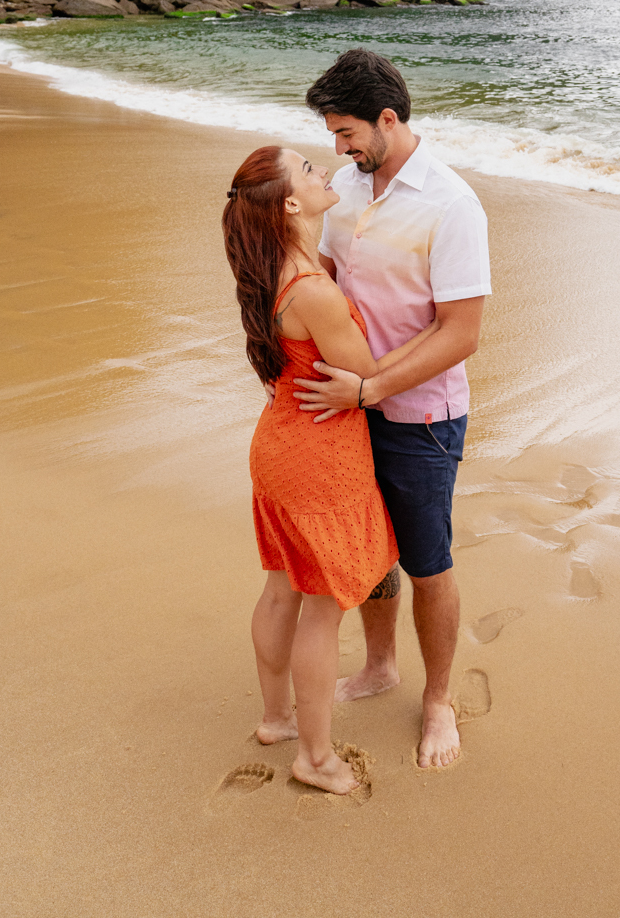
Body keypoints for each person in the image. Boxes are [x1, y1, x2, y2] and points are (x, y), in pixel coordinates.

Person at [294, 49, 491, 769]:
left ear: (387, 118)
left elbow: (461, 332)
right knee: (369, 552)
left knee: (427, 560)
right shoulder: (344, 188)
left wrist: (373, 388)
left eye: (346, 133)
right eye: (332, 137)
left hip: (422, 418)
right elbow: (332, 282)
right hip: (352, 406)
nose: (338, 150)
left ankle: (437, 700)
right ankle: (380, 665)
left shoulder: (451, 203)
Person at [222, 143, 439, 795]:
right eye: (310, 171)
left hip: (280, 445)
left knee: (282, 587)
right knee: (320, 606)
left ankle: (276, 718)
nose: (324, 172)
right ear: (290, 202)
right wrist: (430, 330)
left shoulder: (269, 269)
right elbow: (367, 372)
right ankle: (314, 758)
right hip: (318, 454)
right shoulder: (311, 287)